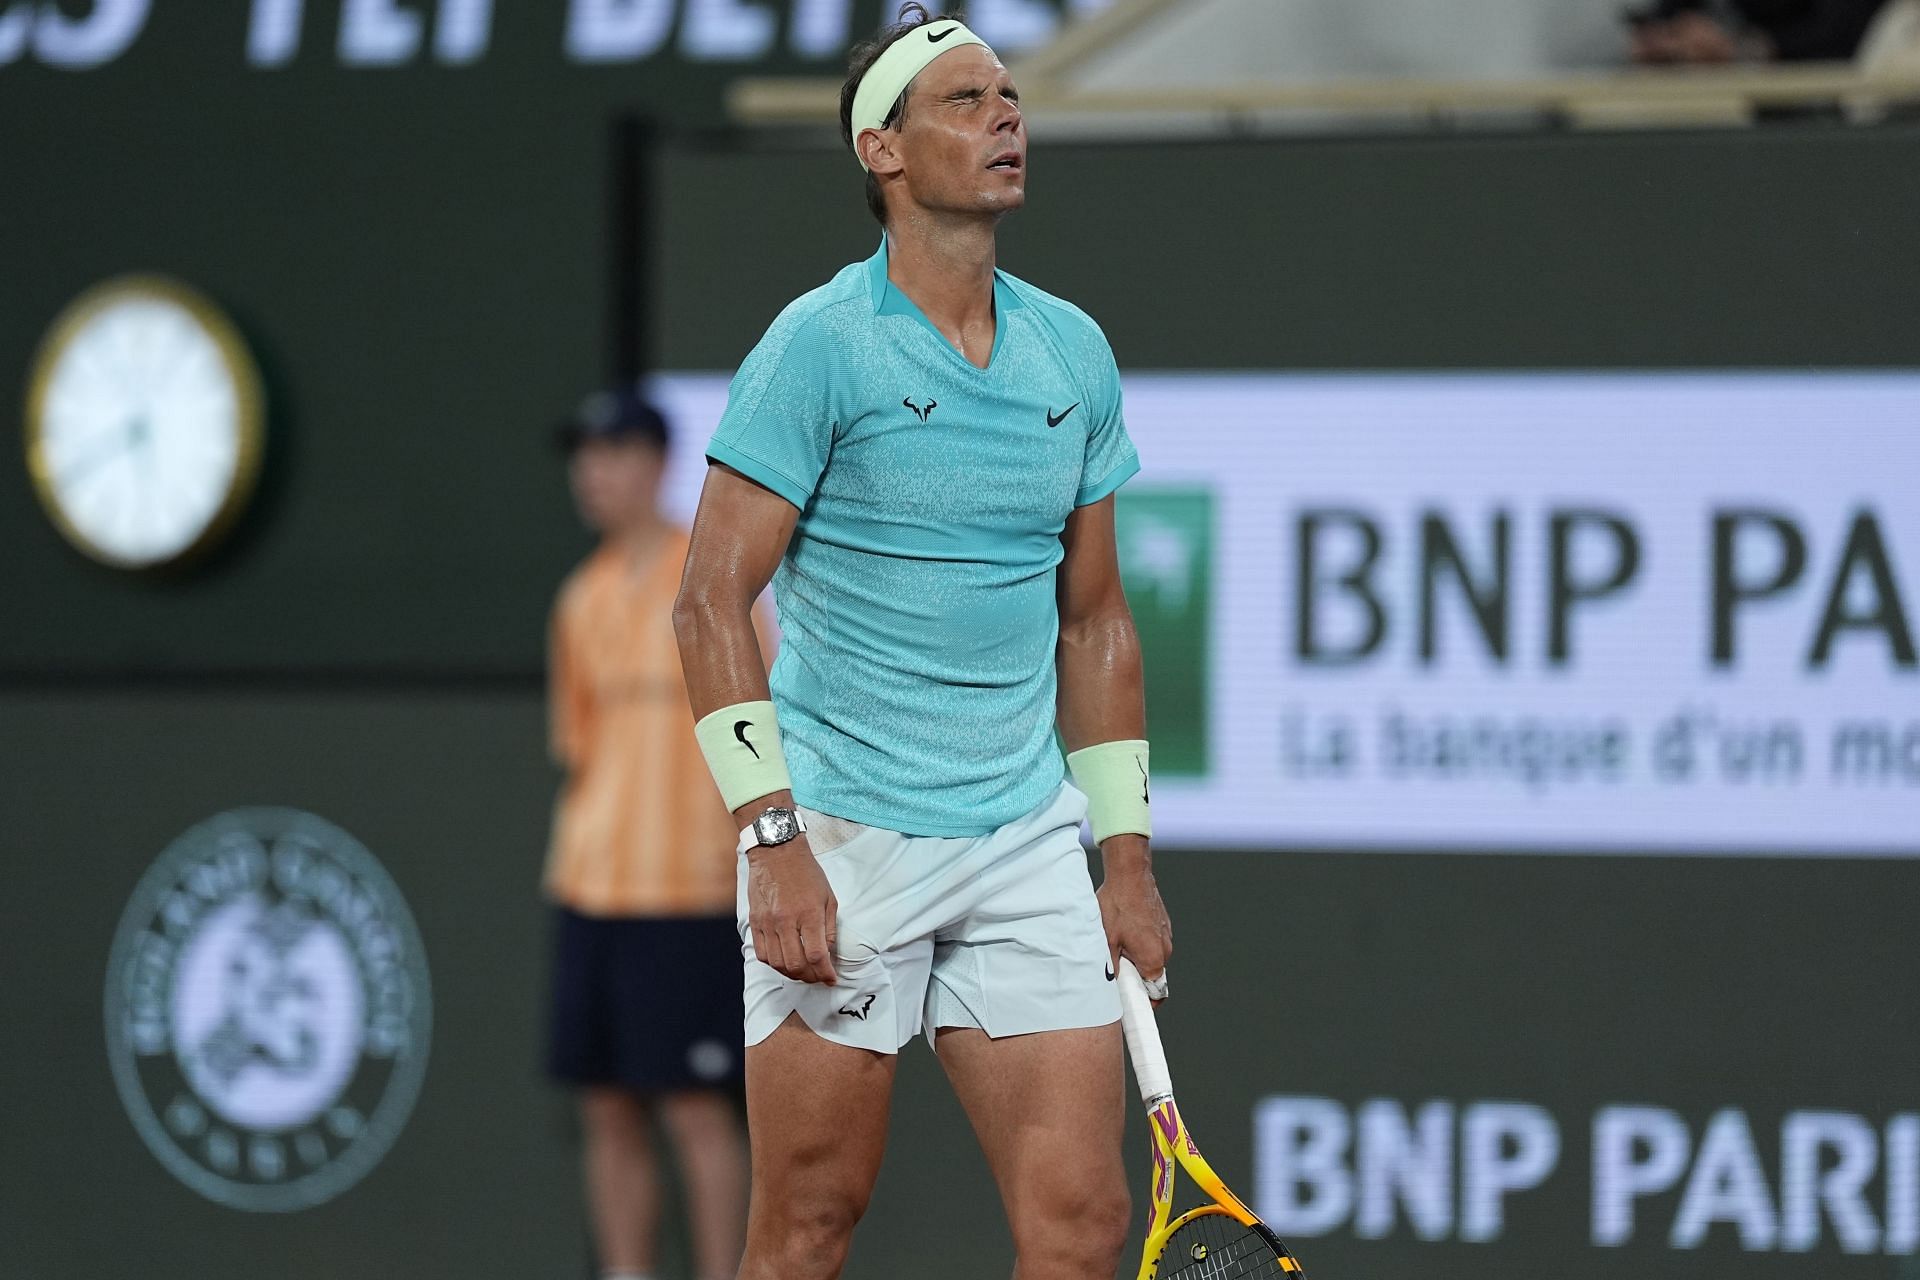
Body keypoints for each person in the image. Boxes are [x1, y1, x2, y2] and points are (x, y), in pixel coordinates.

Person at [671, 6, 1174, 1279]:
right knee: (806, 1229)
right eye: (965, 100)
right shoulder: (817, 347)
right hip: (844, 839)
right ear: (879, 150)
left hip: (1019, 837)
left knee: (1084, 1226)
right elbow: (708, 600)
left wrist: (1125, 855)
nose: (1007, 116)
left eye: (1010, 95)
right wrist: (771, 838)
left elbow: (1097, 616)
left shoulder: (1076, 349)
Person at [545, 390, 753, 1280]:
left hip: (692, 893)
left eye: (616, 451)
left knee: (700, 1110)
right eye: (585, 454)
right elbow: (577, 746)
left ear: (660, 464)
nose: (595, 472)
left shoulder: (707, 582)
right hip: (592, 888)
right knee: (607, 1107)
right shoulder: (579, 599)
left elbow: (758, 724)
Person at [1628, 0, 1889, 62]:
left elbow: (1839, 35)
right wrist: (1663, 36)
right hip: (1718, 93)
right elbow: (1671, 12)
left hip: (1817, 102)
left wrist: (1738, 49)